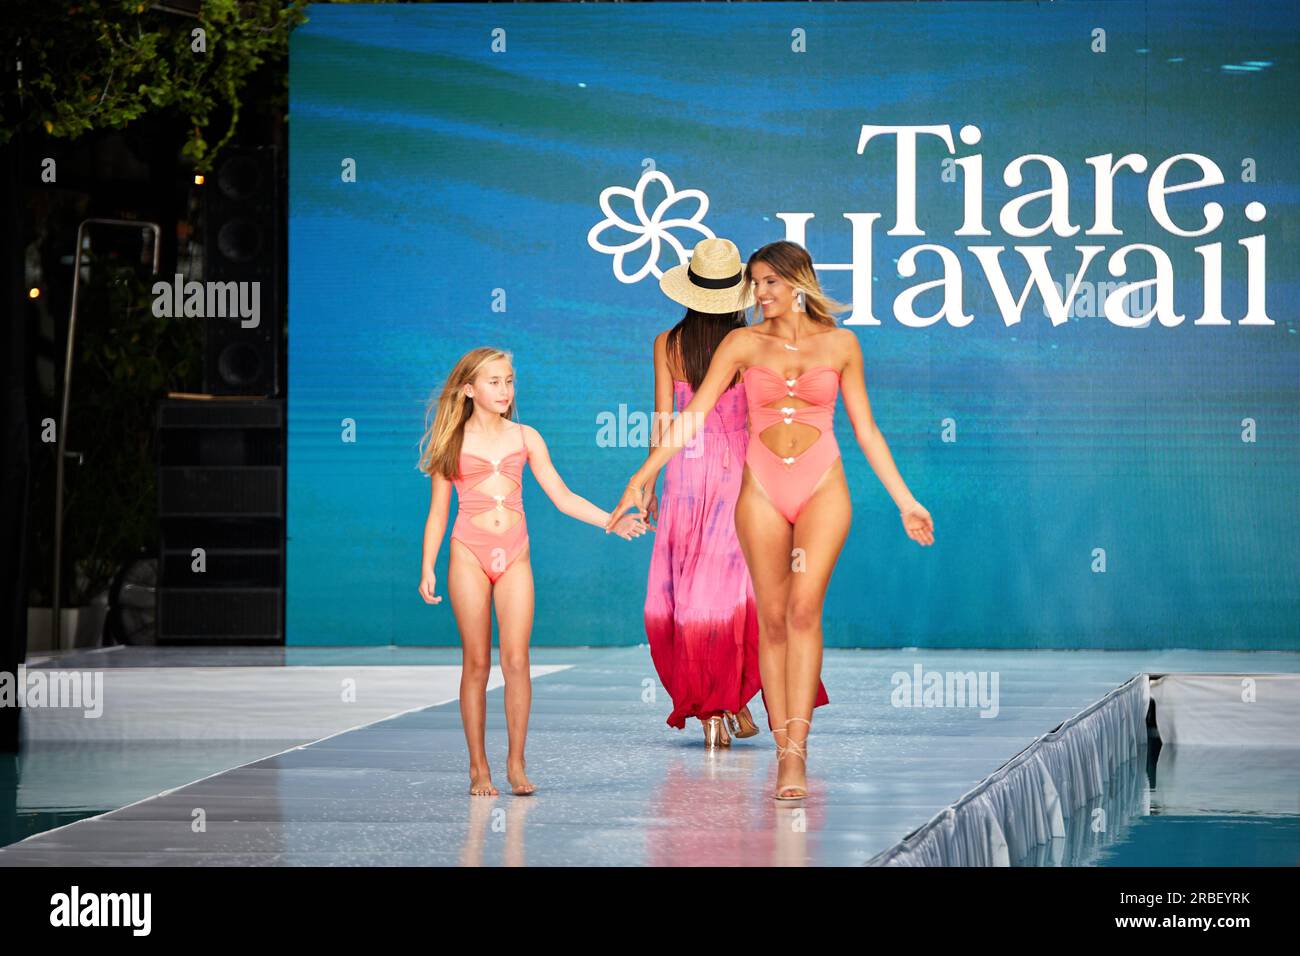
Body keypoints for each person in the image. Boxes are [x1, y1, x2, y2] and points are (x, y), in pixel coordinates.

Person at [607, 241, 935, 801]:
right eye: (754, 284)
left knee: (804, 610)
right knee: (774, 619)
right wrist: (641, 477)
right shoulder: (740, 343)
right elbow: (691, 417)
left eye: (768, 283)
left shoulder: (842, 344)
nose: (758, 294)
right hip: (759, 491)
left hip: (822, 487)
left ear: (799, 284)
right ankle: (785, 753)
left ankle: (799, 753)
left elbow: (867, 431)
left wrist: (905, 500)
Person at [418, 347, 647, 796]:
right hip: (469, 554)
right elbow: (438, 513)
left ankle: (516, 763)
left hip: (515, 554)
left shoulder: (527, 437)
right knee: (477, 662)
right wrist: (427, 565)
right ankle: (477, 767)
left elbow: (562, 496)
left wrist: (610, 520)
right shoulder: (452, 442)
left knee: (517, 660)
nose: (504, 390)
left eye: (509, 381)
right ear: (469, 390)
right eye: (493, 382)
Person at [644, 237, 819, 749]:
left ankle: (716, 709)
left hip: (685, 473)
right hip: (743, 470)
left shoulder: (666, 343)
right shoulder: (754, 344)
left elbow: (664, 418)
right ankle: (734, 699)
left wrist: (651, 479)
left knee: (696, 596)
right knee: (741, 591)